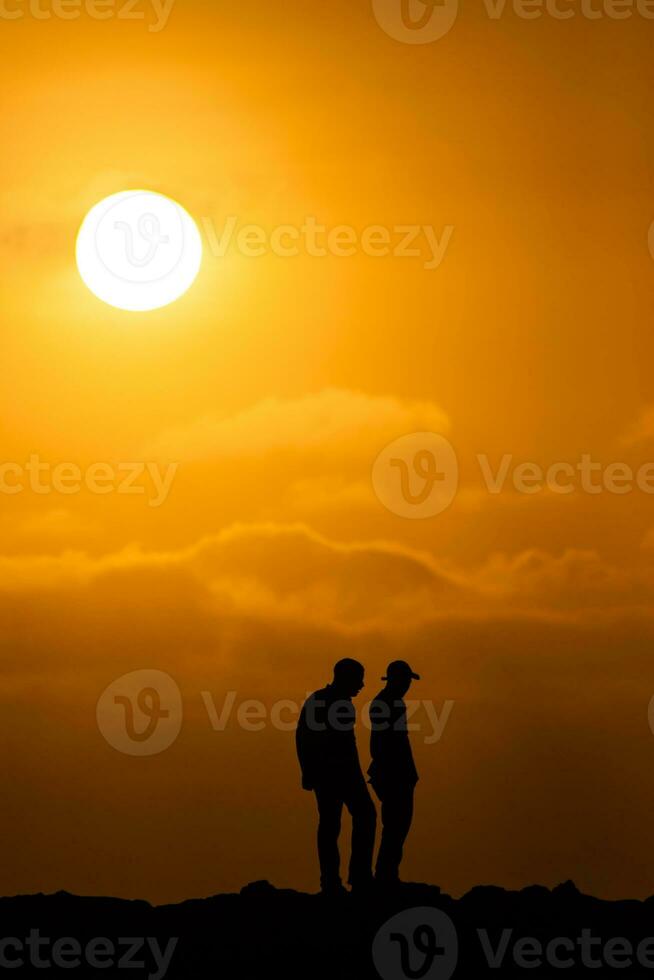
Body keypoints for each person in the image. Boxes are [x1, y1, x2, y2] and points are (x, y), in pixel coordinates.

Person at [296, 659, 376, 895]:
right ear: (345, 677)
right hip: (339, 774)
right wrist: (308, 770)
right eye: (358, 678)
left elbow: (301, 737)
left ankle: (333, 881)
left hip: (328, 774)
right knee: (361, 817)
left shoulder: (321, 700)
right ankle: (353, 878)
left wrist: (307, 770)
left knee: (332, 825)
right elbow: (316, 739)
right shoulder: (334, 703)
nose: (362, 684)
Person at [368, 660, 420, 886]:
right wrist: (397, 771)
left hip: (397, 773)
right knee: (396, 825)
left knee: (397, 825)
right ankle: (385, 875)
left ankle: (388, 874)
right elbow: (387, 742)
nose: (408, 684)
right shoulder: (387, 703)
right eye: (405, 680)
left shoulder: (390, 702)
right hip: (393, 774)